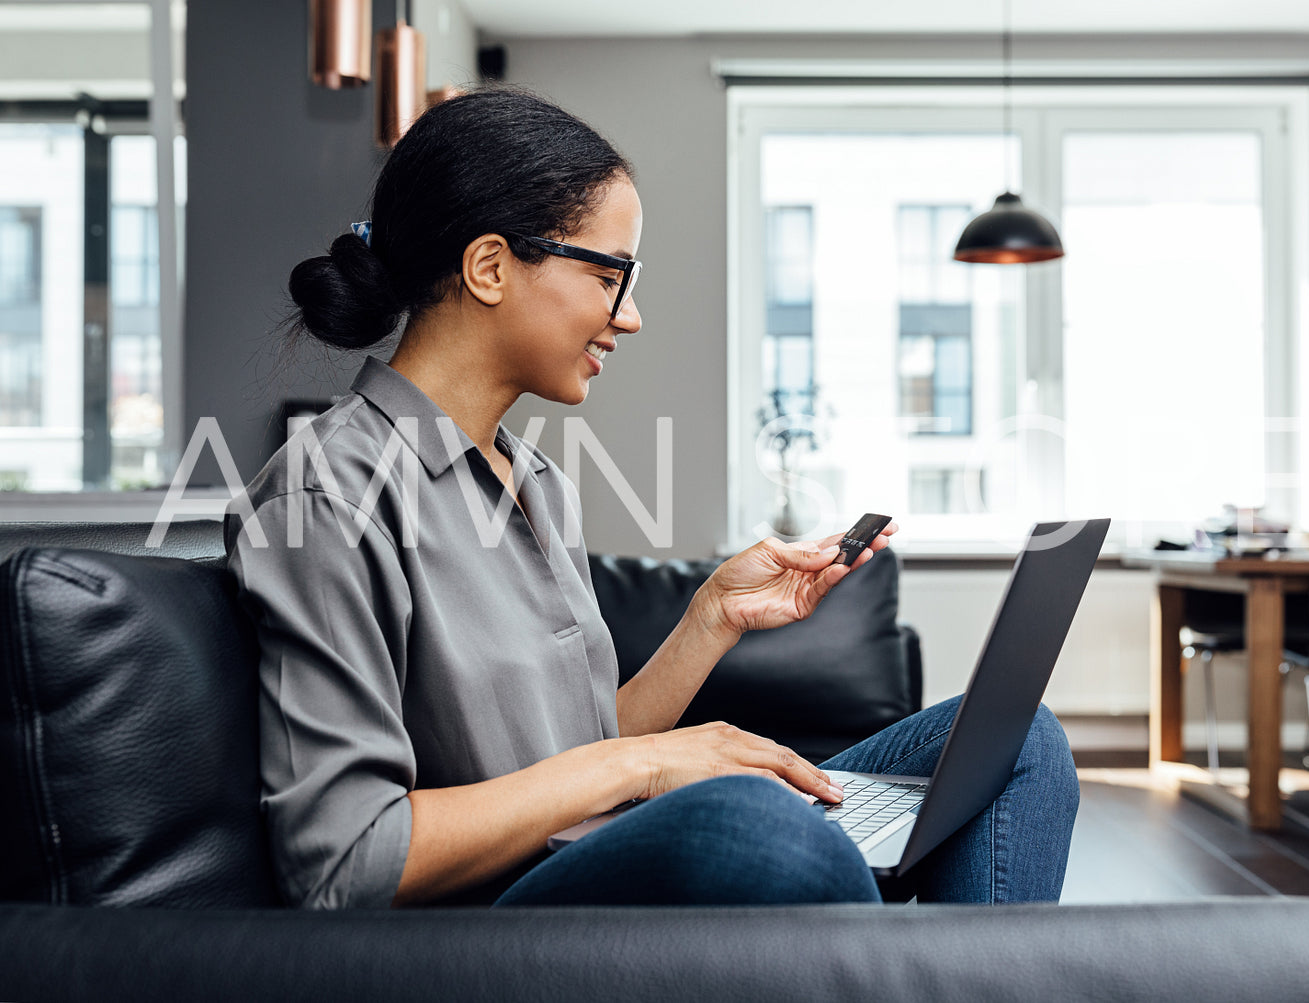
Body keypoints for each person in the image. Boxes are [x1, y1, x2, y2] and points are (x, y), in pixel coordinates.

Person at [225, 86, 1078, 910]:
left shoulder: (537, 484)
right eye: (610, 277)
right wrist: (647, 765)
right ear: (490, 266)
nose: (628, 317)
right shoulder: (324, 496)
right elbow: (343, 860)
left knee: (1017, 740)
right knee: (756, 826)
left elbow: (584, 748)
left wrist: (711, 616)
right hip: (482, 925)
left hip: (585, 851)